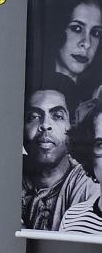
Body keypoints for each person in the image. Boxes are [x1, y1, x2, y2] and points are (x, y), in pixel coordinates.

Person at [23, 86, 98, 230]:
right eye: (33, 117)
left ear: (71, 126)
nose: (45, 125)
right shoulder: (10, 175)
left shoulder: (88, 183)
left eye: (57, 116)